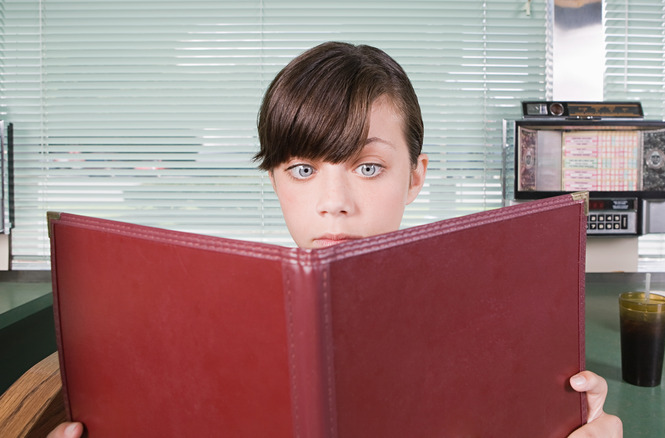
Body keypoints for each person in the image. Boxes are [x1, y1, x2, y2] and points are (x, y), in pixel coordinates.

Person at [48, 42, 621, 438]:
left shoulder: (500, 329)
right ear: (274, 179)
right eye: (302, 170)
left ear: (415, 176)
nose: (334, 202)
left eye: (368, 167)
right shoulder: (191, 333)